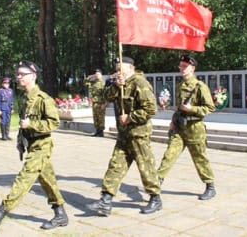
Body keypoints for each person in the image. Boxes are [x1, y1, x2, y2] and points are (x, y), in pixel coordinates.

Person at [0, 60, 68, 232]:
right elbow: (23, 122)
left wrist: (32, 125)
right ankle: (60, 213)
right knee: (48, 181)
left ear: (32, 76)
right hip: (31, 144)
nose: (18, 77)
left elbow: (54, 123)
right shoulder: (25, 97)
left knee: (24, 179)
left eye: (22, 74)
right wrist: (20, 141)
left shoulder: (43, 99)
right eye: (18, 74)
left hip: (42, 146)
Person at [87, 57, 162, 216]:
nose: (117, 71)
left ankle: (155, 198)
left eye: (120, 68)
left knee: (145, 166)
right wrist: (116, 85)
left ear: (130, 68)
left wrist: (130, 117)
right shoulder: (120, 83)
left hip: (138, 134)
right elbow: (107, 97)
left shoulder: (140, 83)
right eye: (116, 68)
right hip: (124, 134)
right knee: (115, 165)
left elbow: (151, 108)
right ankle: (106, 200)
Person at [157, 55, 217, 200]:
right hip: (179, 127)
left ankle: (210, 186)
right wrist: (173, 121)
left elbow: (210, 108)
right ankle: (156, 183)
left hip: (194, 128)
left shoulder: (200, 87)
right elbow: (179, 108)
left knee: (200, 158)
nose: (181, 69)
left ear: (192, 68)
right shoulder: (180, 86)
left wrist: (192, 109)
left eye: (184, 67)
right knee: (169, 155)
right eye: (180, 66)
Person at [84, 69, 106, 137]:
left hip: (100, 102)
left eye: (98, 74)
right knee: (95, 117)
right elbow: (85, 82)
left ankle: (101, 132)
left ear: (101, 75)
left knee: (101, 118)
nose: (97, 76)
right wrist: (91, 76)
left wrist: (104, 103)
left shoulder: (103, 83)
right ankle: (97, 131)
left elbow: (105, 94)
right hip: (94, 102)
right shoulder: (93, 82)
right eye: (96, 74)